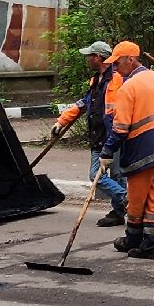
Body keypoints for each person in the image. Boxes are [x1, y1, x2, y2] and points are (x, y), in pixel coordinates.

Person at [100, 40, 154, 260]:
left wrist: (107, 152)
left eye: (117, 63)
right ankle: (152, 244)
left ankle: (133, 240)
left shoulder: (129, 87)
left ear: (131, 59)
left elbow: (120, 128)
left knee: (136, 200)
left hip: (141, 152)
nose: (115, 68)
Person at [54, 41, 127, 227]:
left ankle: (119, 212)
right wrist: (62, 121)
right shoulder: (95, 80)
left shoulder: (118, 79)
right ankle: (126, 199)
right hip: (98, 135)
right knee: (96, 175)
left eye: (90, 56)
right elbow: (83, 103)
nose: (87, 59)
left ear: (99, 57)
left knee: (117, 176)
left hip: (115, 135)